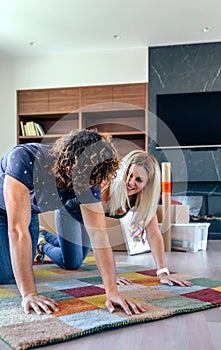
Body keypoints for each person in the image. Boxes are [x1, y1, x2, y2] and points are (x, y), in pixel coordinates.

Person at [0, 129, 146, 316]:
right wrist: (29, 294)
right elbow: (18, 230)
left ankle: (41, 242)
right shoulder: (24, 159)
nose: (90, 186)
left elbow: (99, 235)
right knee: (5, 276)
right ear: (69, 167)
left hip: (30, 212)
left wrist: (112, 292)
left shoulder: (90, 181)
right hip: (3, 212)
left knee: (18, 270)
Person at [37, 150, 192, 287]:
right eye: (129, 175)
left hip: (88, 219)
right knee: (72, 262)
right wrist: (110, 276)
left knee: (79, 254)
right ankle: (42, 243)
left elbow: (153, 234)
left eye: (139, 180)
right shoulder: (105, 187)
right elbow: (99, 234)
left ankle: (44, 234)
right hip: (70, 210)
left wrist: (162, 272)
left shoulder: (143, 200)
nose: (131, 182)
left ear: (147, 185)